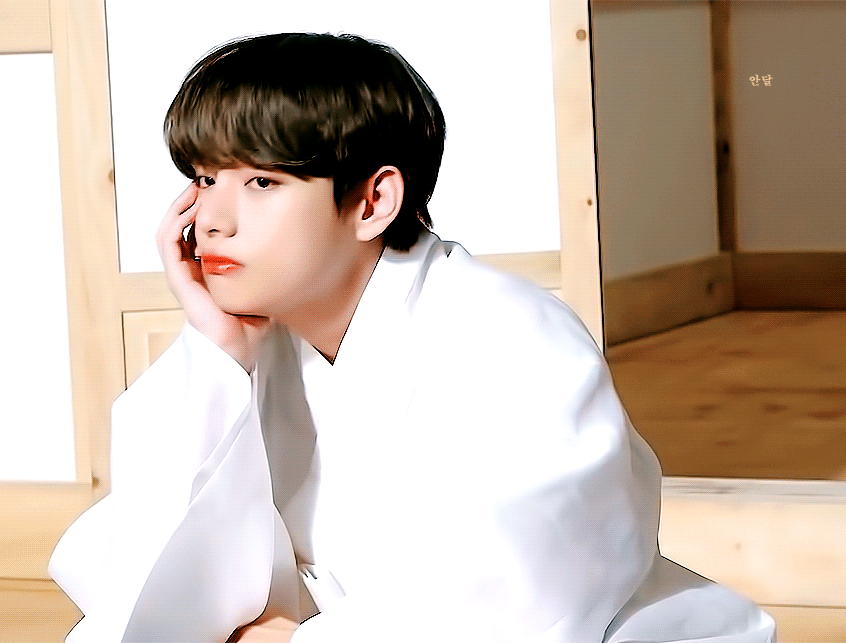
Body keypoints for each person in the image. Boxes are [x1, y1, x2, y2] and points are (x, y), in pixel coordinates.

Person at [49, 33, 776, 643]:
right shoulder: (256, 342)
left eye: (261, 183)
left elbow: (515, 588)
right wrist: (216, 354)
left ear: (373, 200)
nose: (211, 220)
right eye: (205, 180)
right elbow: (147, 569)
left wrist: (291, 638)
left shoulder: (511, 336)